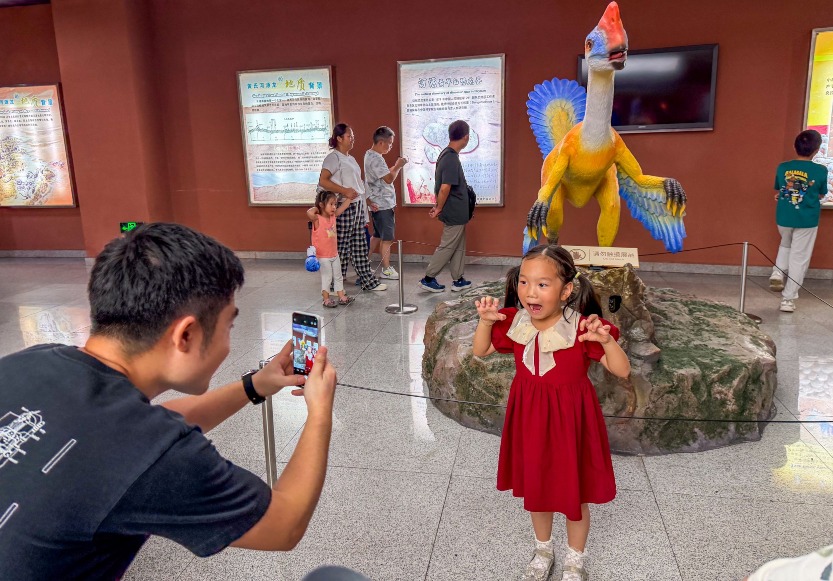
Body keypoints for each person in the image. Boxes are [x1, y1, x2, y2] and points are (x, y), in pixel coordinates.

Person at [0, 223, 351, 580]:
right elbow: (284, 524)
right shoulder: (151, 453)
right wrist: (320, 411)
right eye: (229, 326)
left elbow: (144, 424)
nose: (229, 343)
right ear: (186, 335)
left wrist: (254, 386)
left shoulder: (33, 360)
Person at [471, 244, 631, 581]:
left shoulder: (581, 328)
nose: (531, 292)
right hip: (529, 415)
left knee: (575, 492)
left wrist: (605, 342)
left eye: (543, 284)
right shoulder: (515, 321)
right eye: (524, 282)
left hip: (572, 419)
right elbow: (481, 350)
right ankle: (543, 549)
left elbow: (622, 370)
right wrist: (485, 322)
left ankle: (575, 559)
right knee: (537, 489)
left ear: (566, 290)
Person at [319, 123, 386, 292]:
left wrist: (366, 203)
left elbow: (358, 185)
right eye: (349, 136)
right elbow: (323, 180)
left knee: (359, 245)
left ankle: (367, 281)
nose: (352, 139)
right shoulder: (333, 158)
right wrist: (344, 191)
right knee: (341, 247)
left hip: (355, 206)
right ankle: (336, 286)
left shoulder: (350, 158)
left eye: (353, 136)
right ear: (339, 138)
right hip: (343, 206)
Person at [768, 129, 827, 313]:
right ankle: (788, 299)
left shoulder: (783, 167)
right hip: (807, 220)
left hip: (784, 217)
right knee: (799, 258)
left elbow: (781, 188)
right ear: (816, 150)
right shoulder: (821, 170)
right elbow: (821, 193)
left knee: (785, 245)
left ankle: (777, 272)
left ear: (795, 147)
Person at [418, 120, 473, 293]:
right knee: (448, 244)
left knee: (458, 244)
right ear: (465, 137)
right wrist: (439, 208)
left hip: (458, 212)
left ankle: (458, 279)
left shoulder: (449, 155)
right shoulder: (450, 158)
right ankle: (428, 277)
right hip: (454, 211)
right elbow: (444, 187)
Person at [364, 126, 407, 280]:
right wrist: (398, 166)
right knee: (387, 238)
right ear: (381, 142)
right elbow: (389, 178)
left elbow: (384, 175)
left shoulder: (370, 155)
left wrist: (394, 168)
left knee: (376, 235)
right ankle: (386, 269)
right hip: (382, 205)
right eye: (389, 143)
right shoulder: (376, 158)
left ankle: (364, 262)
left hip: (377, 203)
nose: (390, 146)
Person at [308, 190, 355, 307]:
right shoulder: (317, 219)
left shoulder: (333, 216)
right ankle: (326, 299)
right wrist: (318, 208)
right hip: (323, 256)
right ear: (322, 205)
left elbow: (342, 208)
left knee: (338, 276)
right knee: (327, 277)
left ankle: (342, 297)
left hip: (334, 254)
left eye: (335, 204)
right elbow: (309, 212)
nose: (334, 207)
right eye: (331, 204)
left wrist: (349, 198)